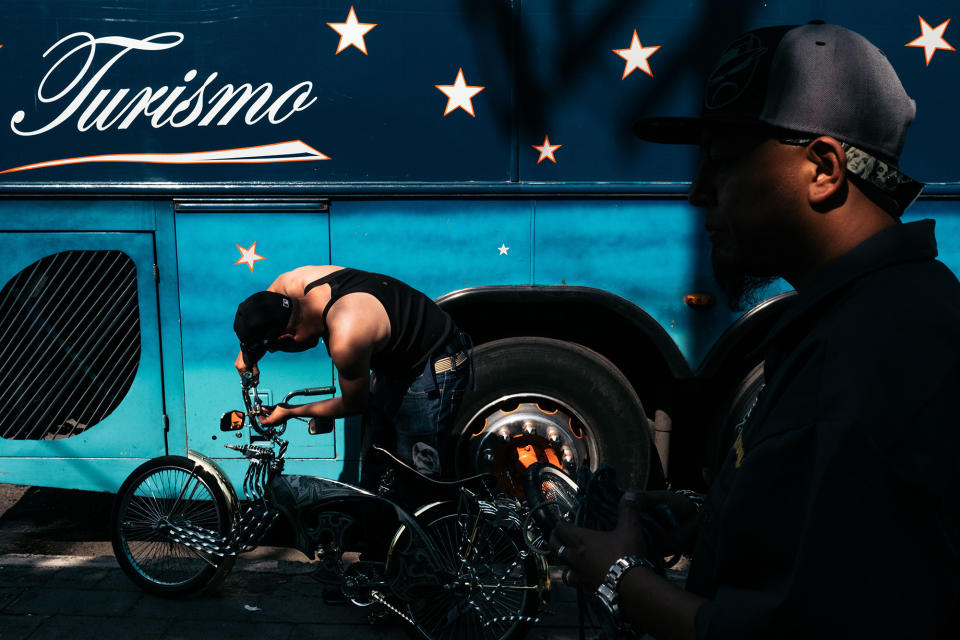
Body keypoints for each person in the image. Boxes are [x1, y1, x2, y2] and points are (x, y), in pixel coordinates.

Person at [551, 22, 960, 639]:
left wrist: (619, 577)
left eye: (722, 163)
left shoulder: (871, 354)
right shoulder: (868, 314)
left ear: (823, 168)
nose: (697, 193)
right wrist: (708, 517)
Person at [233, 265, 471, 482]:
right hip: (398, 358)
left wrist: (290, 412)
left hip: (433, 368)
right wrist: (248, 355)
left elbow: (354, 404)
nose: (272, 353)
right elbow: (262, 306)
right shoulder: (293, 282)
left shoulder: (346, 337)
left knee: (418, 477)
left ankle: (449, 523)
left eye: (273, 349)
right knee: (377, 464)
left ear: (286, 338)